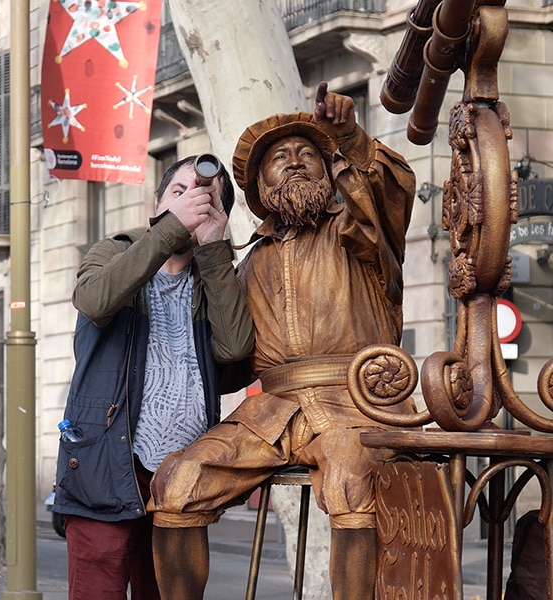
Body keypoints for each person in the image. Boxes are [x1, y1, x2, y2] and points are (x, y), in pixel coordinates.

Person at [148, 81, 416, 600]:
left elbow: (388, 189)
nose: (294, 162)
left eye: (307, 154)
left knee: (352, 477)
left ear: (328, 169)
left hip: (356, 404)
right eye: (280, 158)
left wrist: (351, 137)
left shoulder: (359, 232)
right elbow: (230, 361)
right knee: (177, 482)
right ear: (260, 185)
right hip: (272, 411)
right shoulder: (250, 263)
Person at [53, 155, 254, 600]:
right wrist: (169, 231)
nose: (190, 205)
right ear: (157, 201)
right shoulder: (115, 251)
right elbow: (93, 299)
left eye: (205, 200)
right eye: (179, 193)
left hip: (180, 482)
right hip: (106, 469)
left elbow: (236, 350)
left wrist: (215, 248)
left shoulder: (215, 277)